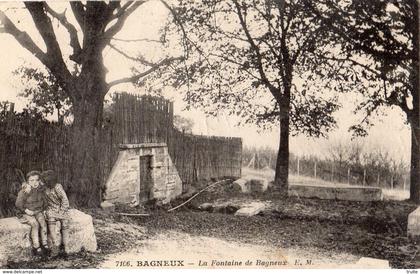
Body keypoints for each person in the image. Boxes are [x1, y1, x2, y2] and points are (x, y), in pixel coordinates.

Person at [15, 170, 48, 256]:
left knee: (42, 221)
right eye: (32, 180)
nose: (35, 182)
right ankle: (37, 246)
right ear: (27, 182)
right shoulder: (25, 191)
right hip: (26, 212)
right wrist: (26, 211)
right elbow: (18, 204)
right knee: (34, 223)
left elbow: (45, 201)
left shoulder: (41, 190)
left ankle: (45, 243)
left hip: (37, 211)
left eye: (37, 180)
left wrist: (44, 210)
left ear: (39, 181)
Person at [42, 170, 70, 257]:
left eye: (49, 181)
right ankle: (55, 244)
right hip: (50, 209)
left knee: (65, 222)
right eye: (46, 181)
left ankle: (66, 246)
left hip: (61, 209)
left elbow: (65, 200)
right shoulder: (44, 188)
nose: (48, 183)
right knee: (51, 218)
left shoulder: (58, 187)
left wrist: (61, 212)